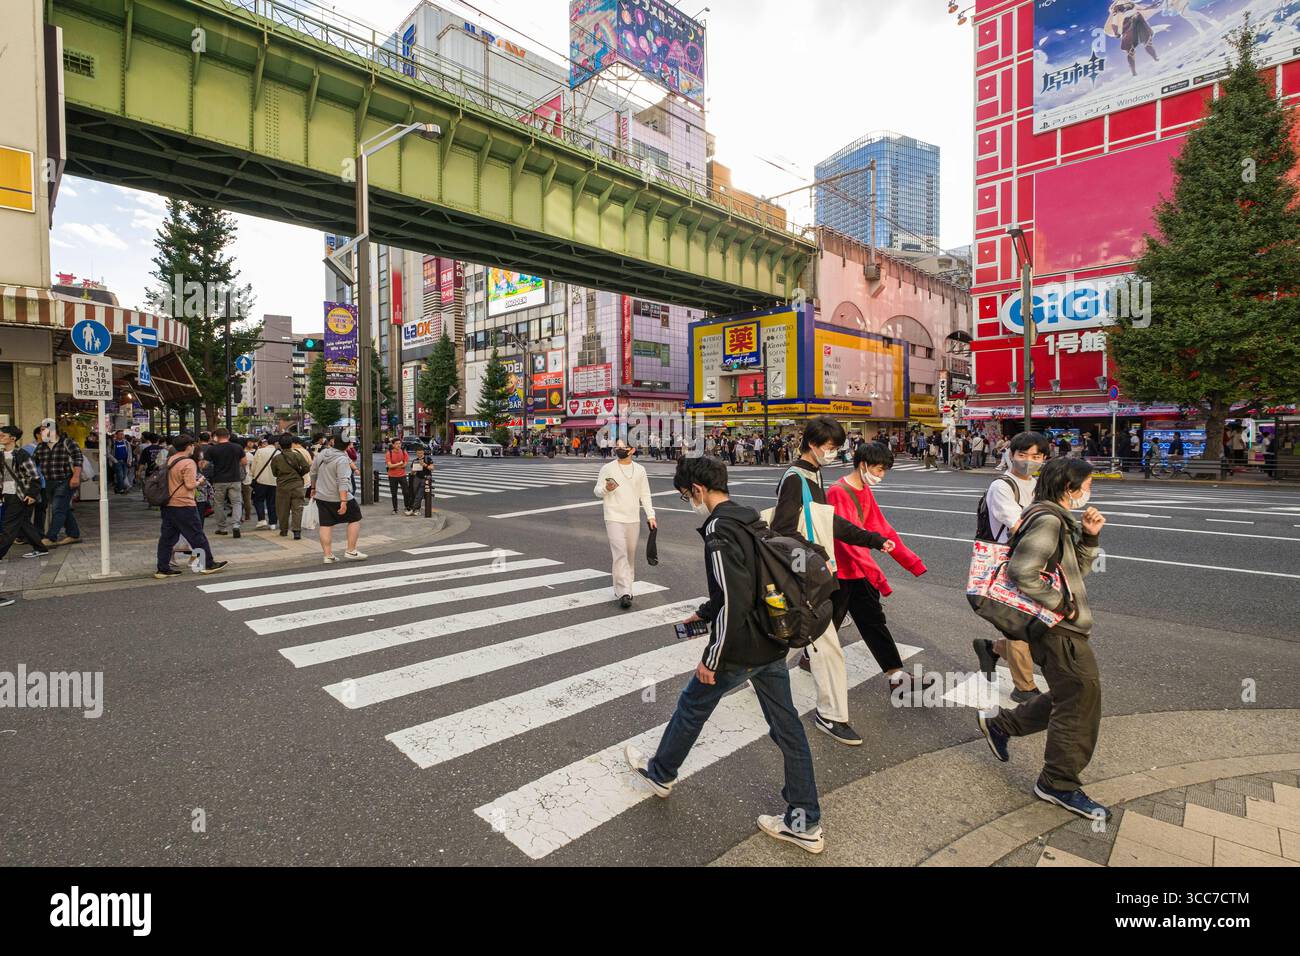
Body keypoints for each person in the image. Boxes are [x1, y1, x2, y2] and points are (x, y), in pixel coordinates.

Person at [625, 455, 824, 854]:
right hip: (772, 640)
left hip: (741, 646)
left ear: (697, 490)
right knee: (787, 727)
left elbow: (734, 598)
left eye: (686, 496)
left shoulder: (718, 529)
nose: (689, 502)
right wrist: (702, 615)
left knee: (692, 704)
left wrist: (712, 658)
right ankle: (805, 820)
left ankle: (661, 773)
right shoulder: (749, 518)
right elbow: (744, 586)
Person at [976, 457, 1109, 821]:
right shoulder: (1049, 520)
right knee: (1081, 699)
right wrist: (1062, 606)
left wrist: (1091, 537)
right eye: (1087, 484)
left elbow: (1074, 571)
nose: (1089, 490)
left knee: (1074, 694)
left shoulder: (1056, 519)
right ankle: (1058, 783)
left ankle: (1002, 725)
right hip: (1058, 630)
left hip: (1058, 627)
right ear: (1070, 487)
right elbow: (1023, 572)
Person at [772, 416, 893, 746]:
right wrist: (817, 553)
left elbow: (829, 521)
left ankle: (745, 672)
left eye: (837, 447)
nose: (834, 453)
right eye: (830, 447)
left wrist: (871, 539)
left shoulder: (814, 473)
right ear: (812, 444)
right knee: (827, 648)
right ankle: (832, 714)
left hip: (812, 572)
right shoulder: (796, 477)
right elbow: (782, 529)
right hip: (804, 573)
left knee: (791, 640)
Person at [826, 442, 926, 694]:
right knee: (819, 627)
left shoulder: (863, 489)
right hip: (841, 573)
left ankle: (896, 676)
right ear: (863, 465)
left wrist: (911, 561)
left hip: (857, 572)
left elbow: (881, 528)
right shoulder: (839, 492)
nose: (881, 475)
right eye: (879, 469)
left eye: (884, 471)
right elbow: (848, 540)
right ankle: (768, 665)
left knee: (873, 622)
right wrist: (877, 575)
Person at [972, 431, 1051, 704]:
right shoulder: (1002, 486)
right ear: (1010, 454)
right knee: (1018, 625)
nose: (1029, 460)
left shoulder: (1041, 485)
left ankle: (992, 648)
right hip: (1009, 565)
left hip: (1036, 562)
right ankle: (1025, 687)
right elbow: (1019, 524)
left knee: (1035, 625)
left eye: (1036, 456)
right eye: (1023, 454)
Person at [593, 439, 656, 608]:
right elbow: (597, 491)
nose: (619, 449)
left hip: (632, 518)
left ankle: (628, 587)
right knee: (620, 553)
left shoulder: (640, 470)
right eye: (617, 446)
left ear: (632, 450)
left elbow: (645, 494)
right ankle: (623, 593)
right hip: (613, 516)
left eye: (623, 447)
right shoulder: (608, 468)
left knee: (630, 555)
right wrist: (607, 489)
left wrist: (651, 515)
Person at [154, 435, 228, 579]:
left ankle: (162, 568)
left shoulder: (171, 459)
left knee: (167, 538)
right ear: (188, 446)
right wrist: (200, 481)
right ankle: (208, 564)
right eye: (192, 445)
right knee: (197, 535)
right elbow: (189, 485)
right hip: (184, 504)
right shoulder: (188, 462)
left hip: (169, 504)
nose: (193, 447)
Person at [309, 435, 366, 563]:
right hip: (338, 497)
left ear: (333, 443)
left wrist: (313, 488)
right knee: (355, 518)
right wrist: (344, 501)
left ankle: (328, 555)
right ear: (346, 446)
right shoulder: (342, 459)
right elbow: (343, 481)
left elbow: (313, 472)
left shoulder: (323, 453)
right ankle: (351, 550)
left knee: (325, 524)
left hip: (321, 495)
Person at [0, 426, 50, 560]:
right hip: (7, 494)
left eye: (3, 435)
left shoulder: (22, 455)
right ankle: (40, 548)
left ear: (13, 438)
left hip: (21, 494)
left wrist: (32, 494)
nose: (0, 437)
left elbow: (35, 476)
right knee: (23, 523)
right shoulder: (1, 455)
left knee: (8, 525)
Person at [33, 419, 83, 548]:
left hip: (66, 480)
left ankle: (51, 537)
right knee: (63, 508)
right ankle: (73, 534)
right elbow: (33, 463)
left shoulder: (68, 443)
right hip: (49, 482)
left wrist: (76, 477)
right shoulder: (41, 446)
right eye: (41, 430)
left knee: (58, 509)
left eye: (44, 430)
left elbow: (78, 459)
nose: (41, 433)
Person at [207, 427, 247, 539]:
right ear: (228, 436)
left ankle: (222, 528)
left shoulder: (212, 449)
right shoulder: (237, 447)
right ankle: (236, 525)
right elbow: (244, 462)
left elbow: (204, 464)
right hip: (235, 479)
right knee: (237, 503)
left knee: (219, 504)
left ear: (216, 437)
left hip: (219, 480)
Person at [270, 434, 310, 539]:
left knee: (282, 509)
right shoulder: (298, 455)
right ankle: (297, 531)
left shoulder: (276, 458)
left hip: (283, 486)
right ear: (291, 444)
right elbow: (306, 467)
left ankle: (283, 530)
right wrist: (300, 474)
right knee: (297, 508)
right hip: (297, 485)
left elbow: (274, 473)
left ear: (280, 445)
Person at [249, 436, 280, 530]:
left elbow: (253, 466)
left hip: (260, 480)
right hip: (274, 481)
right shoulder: (278, 453)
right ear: (276, 443)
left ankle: (261, 519)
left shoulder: (260, 451)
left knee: (258, 500)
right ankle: (273, 523)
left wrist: (253, 476)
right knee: (272, 502)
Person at [385, 439, 413, 515]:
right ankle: (395, 509)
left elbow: (406, 461)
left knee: (406, 492)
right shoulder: (389, 453)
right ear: (393, 445)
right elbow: (390, 465)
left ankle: (407, 507)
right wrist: (399, 463)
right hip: (392, 476)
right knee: (394, 493)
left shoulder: (403, 451)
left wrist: (404, 463)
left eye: (399, 443)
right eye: (397, 444)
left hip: (402, 475)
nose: (398, 445)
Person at [110, 429, 132, 493]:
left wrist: (129, 461)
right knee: (120, 475)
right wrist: (114, 460)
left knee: (124, 476)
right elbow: (108, 453)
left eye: (123, 434)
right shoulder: (113, 443)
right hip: (117, 461)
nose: (122, 435)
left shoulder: (126, 443)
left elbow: (129, 452)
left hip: (125, 461)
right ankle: (120, 489)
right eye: (120, 434)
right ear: (116, 435)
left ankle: (117, 487)